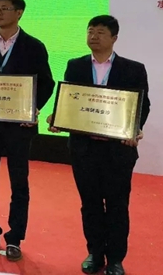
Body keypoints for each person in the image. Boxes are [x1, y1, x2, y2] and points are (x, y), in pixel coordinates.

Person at [51, 15, 150, 275]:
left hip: (118, 150)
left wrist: (134, 129)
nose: (94, 36)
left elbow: (143, 105)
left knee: (117, 205)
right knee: (90, 203)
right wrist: (58, 117)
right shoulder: (76, 65)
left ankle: (115, 259)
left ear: (114, 38)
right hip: (84, 149)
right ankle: (95, 253)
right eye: (90, 31)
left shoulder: (133, 69)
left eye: (101, 32)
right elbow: (70, 99)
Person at [0, 0, 54, 262]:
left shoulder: (34, 45)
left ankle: (15, 237)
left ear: (19, 12)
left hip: (19, 126)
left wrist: (33, 108)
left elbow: (47, 83)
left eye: (4, 8)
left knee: (19, 183)